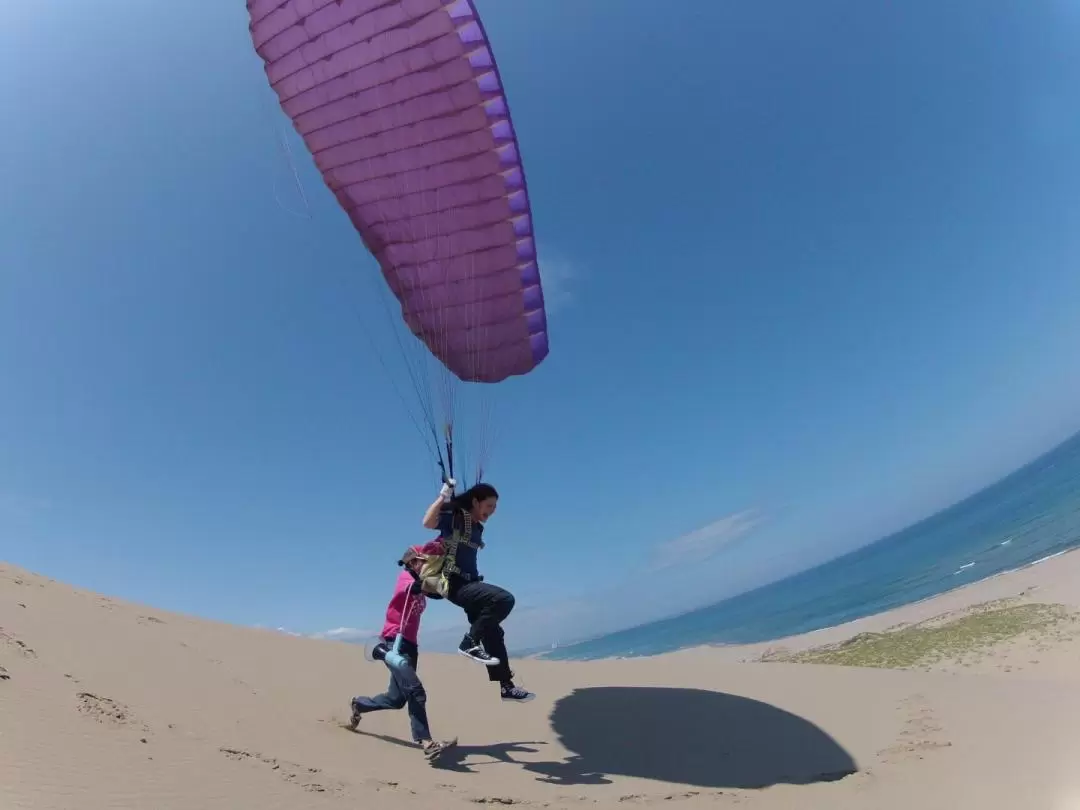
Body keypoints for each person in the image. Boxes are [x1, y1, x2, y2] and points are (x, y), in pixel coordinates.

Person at [422, 480, 535, 703]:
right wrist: (443, 496)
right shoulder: (455, 517)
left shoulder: (477, 526)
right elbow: (427, 522)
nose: (491, 512)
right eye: (489, 506)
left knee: (493, 632)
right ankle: (469, 642)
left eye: (494, 508)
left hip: (471, 584)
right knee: (504, 600)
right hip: (455, 584)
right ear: (476, 501)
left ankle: (506, 687)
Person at [348, 541, 456, 761]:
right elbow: (416, 588)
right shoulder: (406, 578)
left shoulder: (422, 581)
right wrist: (431, 583)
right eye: (424, 561)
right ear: (413, 562)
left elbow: (437, 591)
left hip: (410, 645)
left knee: (396, 699)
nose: (427, 565)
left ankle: (360, 704)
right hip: (391, 643)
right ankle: (427, 742)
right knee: (416, 691)